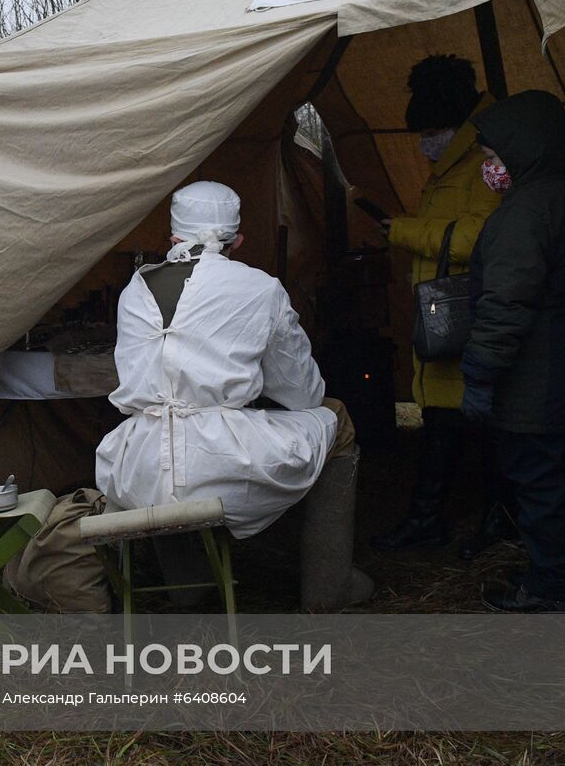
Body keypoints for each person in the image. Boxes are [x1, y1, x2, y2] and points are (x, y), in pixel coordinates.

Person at [96, 181, 373, 612]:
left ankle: (188, 586)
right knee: (335, 418)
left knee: (163, 460)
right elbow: (303, 394)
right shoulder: (260, 288)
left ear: (173, 238)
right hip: (219, 460)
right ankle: (329, 585)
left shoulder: (134, 290)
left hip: (136, 465)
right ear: (237, 240)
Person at [461, 90, 565, 612]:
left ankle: (554, 589)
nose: (490, 168)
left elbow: (506, 301)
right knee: (551, 477)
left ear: (524, 151)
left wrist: (479, 372)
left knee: (537, 481)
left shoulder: (528, 209)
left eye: (494, 158)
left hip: (534, 378)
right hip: (562, 366)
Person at [373, 54, 515, 557]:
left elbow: (485, 236)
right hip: (444, 311)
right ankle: (430, 519)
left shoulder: (485, 163)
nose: (422, 140)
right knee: (441, 419)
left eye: (430, 127)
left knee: (477, 423)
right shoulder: (453, 162)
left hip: (468, 311)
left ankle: (494, 523)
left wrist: (407, 232)